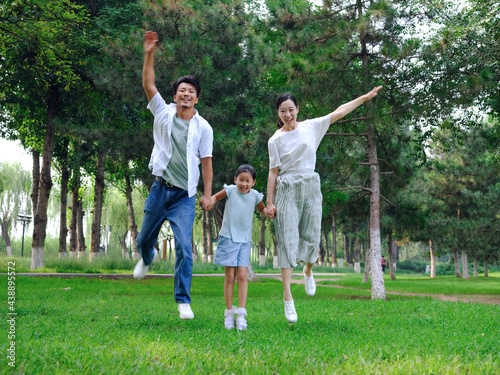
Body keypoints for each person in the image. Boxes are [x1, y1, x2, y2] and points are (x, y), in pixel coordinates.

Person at [266, 86, 382, 323]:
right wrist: (270, 201)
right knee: (287, 242)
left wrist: (365, 96)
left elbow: (340, 111)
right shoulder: (275, 140)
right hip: (287, 187)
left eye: (291, 110)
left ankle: (308, 269)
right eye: (282, 111)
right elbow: (272, 173)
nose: (287, 115)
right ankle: (288, 298)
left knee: (312, 236)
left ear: (297, 109)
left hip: (310, 184)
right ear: (278, 114)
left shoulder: (311, 126)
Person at [133, 30, 214, 321]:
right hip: (160, 189)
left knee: (183, 246)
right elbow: (148, 83)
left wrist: (207, 193)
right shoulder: (163, 113)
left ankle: (182, 300)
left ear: (196, 98)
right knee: (144, 238)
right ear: (176, 95)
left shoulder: (204, 127)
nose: (186, 94)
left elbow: (206, 161)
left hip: (184, 196)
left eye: (191, 91)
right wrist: (149, 53)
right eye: (182, 90)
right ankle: (146, 256)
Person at [204, 165, 272, 330]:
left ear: (253, 182)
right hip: (229, 237)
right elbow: (214, 198)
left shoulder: (255, 196)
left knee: (242, 276)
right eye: (241, 180)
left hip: (244, 240)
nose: (244, 184)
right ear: (235, 180)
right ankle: (229, 314)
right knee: (230, 277)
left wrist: (269, 212)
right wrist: (209, 201)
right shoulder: (230, 191)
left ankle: (241, 314)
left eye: (248, 181)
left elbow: (262, 210)